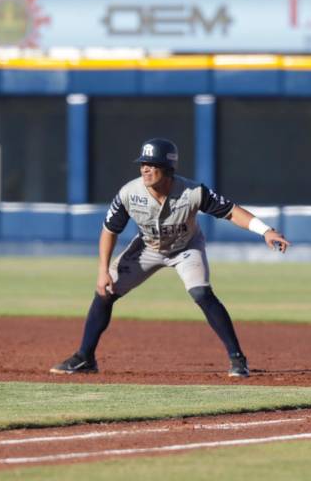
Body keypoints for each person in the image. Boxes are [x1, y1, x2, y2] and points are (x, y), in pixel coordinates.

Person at [50, 138, 290, 378]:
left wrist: (265, 230)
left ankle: (238, 359)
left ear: (167, 169)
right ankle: (85, 358)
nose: (145, 169)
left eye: (152, 164)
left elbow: (231, 212)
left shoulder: (193, 192)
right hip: (147, 248)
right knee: (104, 292)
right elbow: (109, 231)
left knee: (201, 293)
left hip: (186, 247)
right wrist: (102, 270)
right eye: (143, 163)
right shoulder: (129, 193)